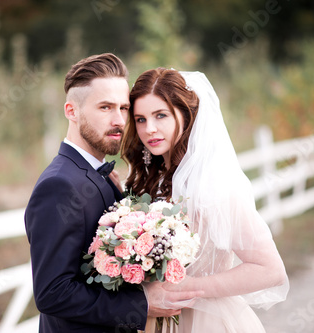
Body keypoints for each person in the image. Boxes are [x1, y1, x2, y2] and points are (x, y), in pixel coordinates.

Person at [24, 55, 203, 333]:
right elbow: (53, 292)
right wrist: (140, 305)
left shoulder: (101, 174)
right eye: (105, 107)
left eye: (123, 108)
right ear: (72, 111)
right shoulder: (58, 185)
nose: (119, 120)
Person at [121, 68, 289, 332]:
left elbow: (270, 269)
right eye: (140, 119)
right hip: (155, 320)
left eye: (161, 115)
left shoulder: (213, 186)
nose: (149, 129)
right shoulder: (151, 180)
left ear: (186, 117)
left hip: (207, 320)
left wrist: (187, 288)